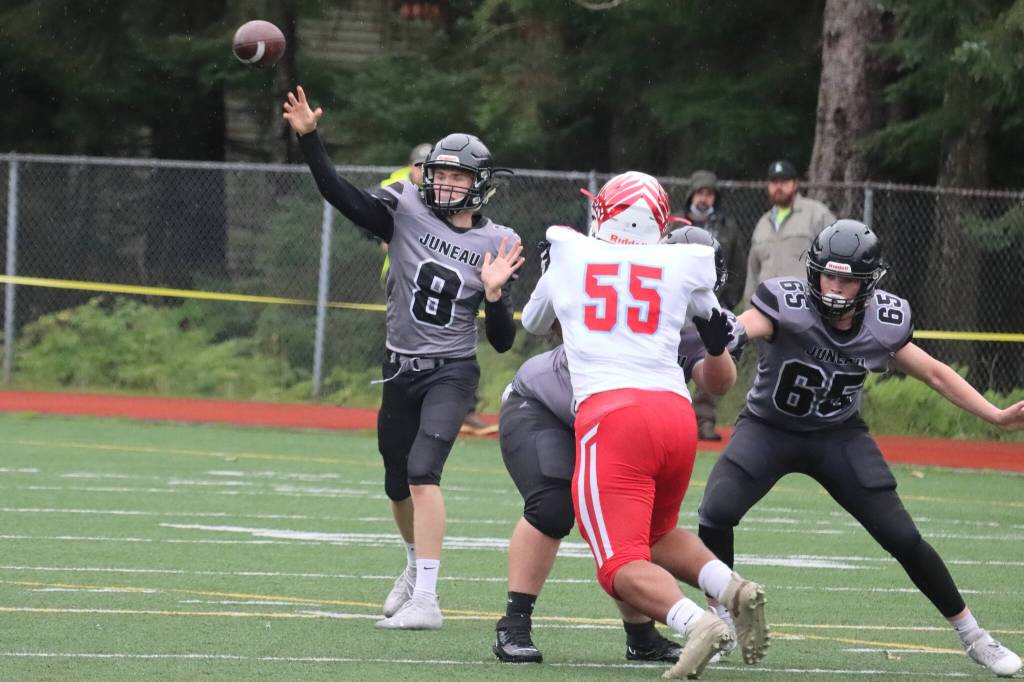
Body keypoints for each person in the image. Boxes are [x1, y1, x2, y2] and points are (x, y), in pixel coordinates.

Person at [698, 219, 1024, 678]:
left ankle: (975, 636)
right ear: (814, 272)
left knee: (903, 537)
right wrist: (726, 333)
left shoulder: (882, 322)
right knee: (716, 512)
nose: (834, 288)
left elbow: (934, 373)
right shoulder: (785, 302)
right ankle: (719, 621)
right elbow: (746, 326)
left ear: (868, 283)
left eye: (847, 280)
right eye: (828, 276)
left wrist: (995, 415)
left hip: (838, 435)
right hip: (770, 428)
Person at [283, 85, 525, 630]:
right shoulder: (406, 205)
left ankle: (428, 601)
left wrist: (493, 296)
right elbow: (343, 197)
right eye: (441, 173)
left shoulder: (500, 242)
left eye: (458, 176)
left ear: (480, 184)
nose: (445, 183)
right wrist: (310, 140)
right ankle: (414, 566)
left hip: (451, 372)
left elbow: (503, 341)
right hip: (398, 368)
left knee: (422, 474)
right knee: (396, 482)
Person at [521, 172, 769, 679]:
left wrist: (555, 280)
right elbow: (718, 328)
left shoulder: (569, 253)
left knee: (617, 564)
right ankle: (732, 589)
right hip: (675, 415)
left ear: (603, 213)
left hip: (613, 415)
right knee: (658, 533)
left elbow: (532, 322)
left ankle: (696, 622)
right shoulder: (681, 261)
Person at [680, 170, 745, 441]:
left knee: (712, 355)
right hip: (679, 306)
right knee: (676, 361)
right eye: (700, 192)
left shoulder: (727, 227)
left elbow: (738, 265)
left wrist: (728, 301)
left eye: (709, 194)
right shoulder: (675, 224)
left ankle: (704, 420)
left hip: (712, 305)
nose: (704, 198)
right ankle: (676, 420)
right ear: (691, 194)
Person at [741, 160, 835, 307]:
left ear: (795, 184)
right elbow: (753, 274)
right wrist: (749, 309)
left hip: (805, 307)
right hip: (767, 308)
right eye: (774, 182)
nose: (778, 187)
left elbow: (835, 259)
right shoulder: (762, 223)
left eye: (784, 181)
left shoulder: (817, 214)